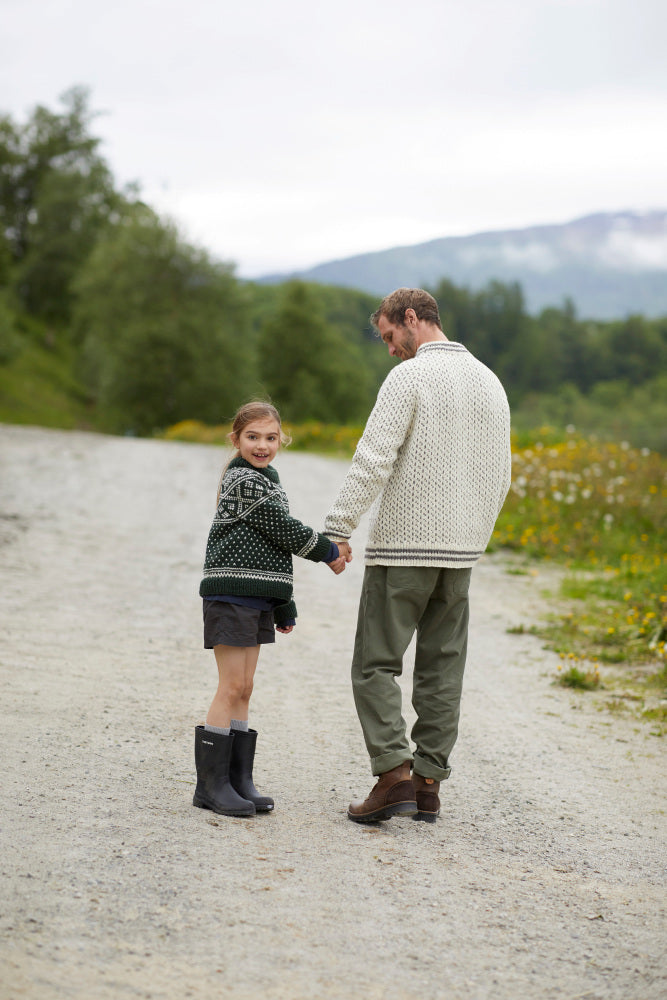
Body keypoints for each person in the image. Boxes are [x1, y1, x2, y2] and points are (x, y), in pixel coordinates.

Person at [324, 288, 511, 823]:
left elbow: (373, 458)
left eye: (389, 336)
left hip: (404, 549)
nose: (389, 349)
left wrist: (338, 527)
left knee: (374, 664)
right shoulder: (490, 383)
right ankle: (428, 784)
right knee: (442, 670)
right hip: (460, 558)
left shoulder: (408, 378)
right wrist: (473, 536)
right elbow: (502, 477)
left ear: (411, 319)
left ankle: (394, 776)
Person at [194, 400, 347, 818]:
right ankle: (210, 785)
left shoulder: (270, 479)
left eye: (270, 438)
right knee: (230, 687)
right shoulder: (242, 480)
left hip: (257, 596)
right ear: (236, 440)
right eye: (253, 437)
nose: (262, 445)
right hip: (230, 594)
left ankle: (238, 778)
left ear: (282, 440)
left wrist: (284, 605)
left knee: (246, 687)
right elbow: (283, 531)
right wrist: (329, 550)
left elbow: (271, 554)